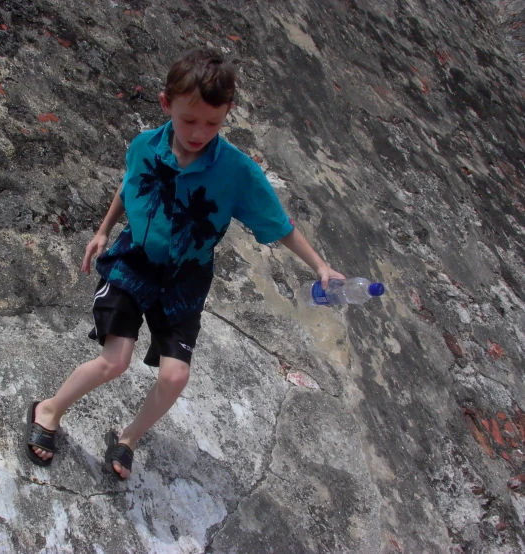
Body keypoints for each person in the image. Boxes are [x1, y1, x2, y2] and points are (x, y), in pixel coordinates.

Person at [25, 48, 345, 480]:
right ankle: (48, 410)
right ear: (166, 105)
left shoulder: (238, 172)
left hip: (184, 282)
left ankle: (128, 437)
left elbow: (279, 225)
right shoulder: (145, 146)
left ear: (227, 113)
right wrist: (103, 230)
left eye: (213, 123)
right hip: (135, 262)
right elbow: (129, 187)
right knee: (115, 360)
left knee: (175, 377)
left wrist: (320, 266)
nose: (199, 132)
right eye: (189, 120)